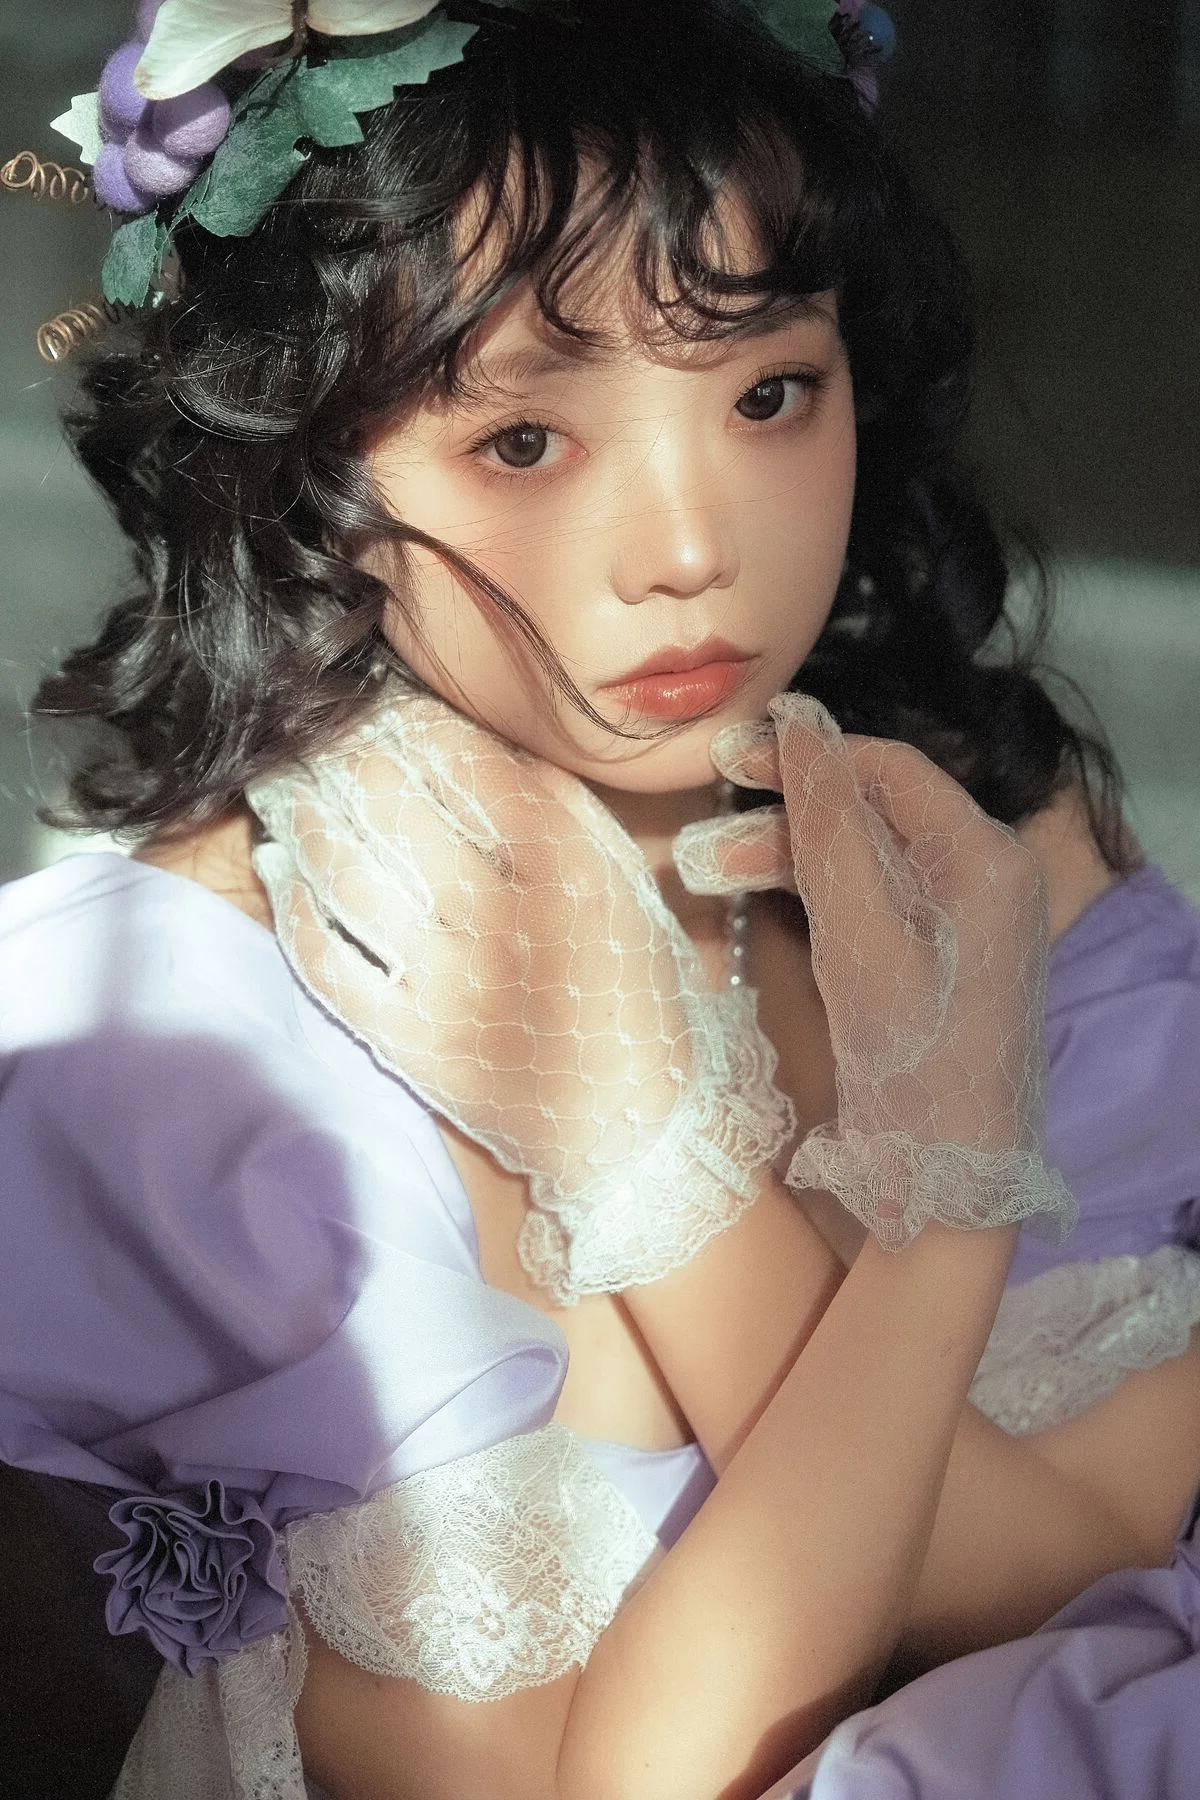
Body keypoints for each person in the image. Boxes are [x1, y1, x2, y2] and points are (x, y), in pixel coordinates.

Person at [1, 3, 1198, 1797]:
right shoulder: (188, 1045)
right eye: (523, 442)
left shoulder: (1003, 861)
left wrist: (846, 1193)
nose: (695, 548)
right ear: (304, 466)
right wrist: (724, 1176)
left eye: (768, 393)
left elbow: (1097, 1587)